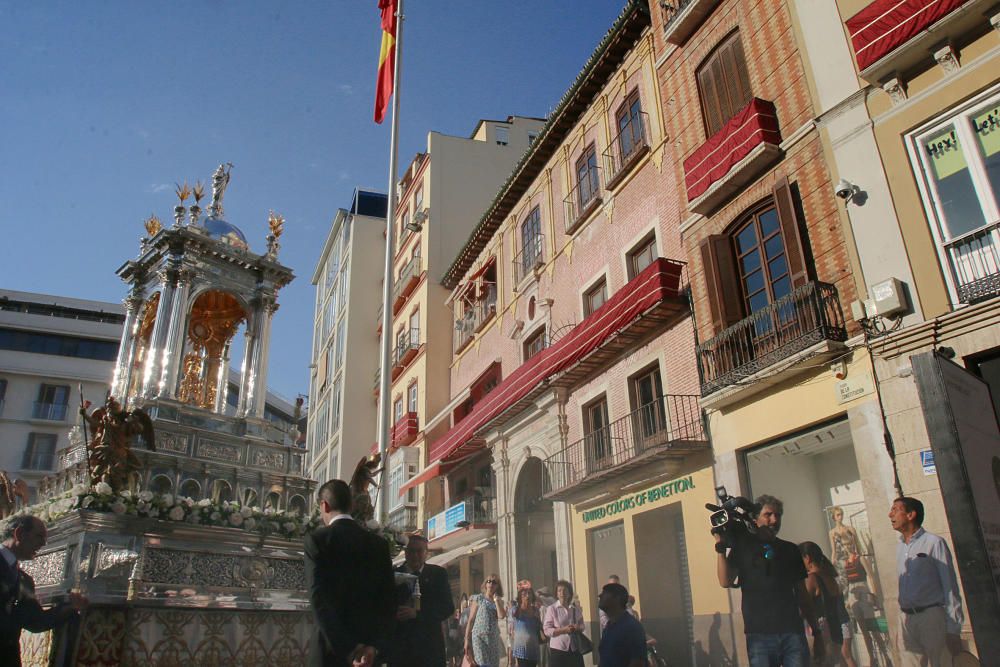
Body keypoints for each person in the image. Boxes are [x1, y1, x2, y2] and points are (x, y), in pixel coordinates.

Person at [715, 494, 824, 666]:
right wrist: (720, 548)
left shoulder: (790, 550)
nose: (774, 520)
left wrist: (817, 633)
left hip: (792, 634)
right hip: (759, 636)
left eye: (778, 515)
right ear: (755, 518)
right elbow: (725, 581)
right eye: (768, 514)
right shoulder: (743, 547)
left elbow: (803, 595)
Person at [304, 480, 396, 667]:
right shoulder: (378, 544)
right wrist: (373, 646)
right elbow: (388, 600)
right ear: (352, 505)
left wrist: (350, 649)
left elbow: (319, 599)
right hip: (369, 655)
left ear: (325, 505)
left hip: (330, 652)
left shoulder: (318, 540)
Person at [0, 515, 88, 667]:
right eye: (39, 536)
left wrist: (70, 607)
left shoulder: (24, 581)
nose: (43, 543)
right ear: (20, 534)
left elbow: (35, 622)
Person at [890, 497, 964, 666]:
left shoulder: (934, 543)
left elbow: (949, 586)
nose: (890, 514)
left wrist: (953, 628)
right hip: (907, 619)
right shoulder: (900, 547)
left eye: (895, 509)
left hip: (931, 617)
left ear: (910, 515)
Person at [389, 534, 455, 667]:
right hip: (401, 649)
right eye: (411, 551)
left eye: (419, 551)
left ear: (426, 553)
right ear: (405, 552)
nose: (415, 555)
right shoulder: (393, 575)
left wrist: (417, 613)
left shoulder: (438, 574)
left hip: (429, 649)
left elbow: (447, 607)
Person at [799, 541, 856, 667]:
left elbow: (803, 608)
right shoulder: (831, 578)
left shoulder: (811, 579)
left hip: (819, 636)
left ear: (807, 558)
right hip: (835, 635)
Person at [597, 583, 647, 667]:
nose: (600, 596)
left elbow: (638, 662)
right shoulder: (608, 627)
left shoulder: (631, 627)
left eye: (605, 593)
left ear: (617, 598)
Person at [465, 574, 506, 667]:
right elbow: (471, 620)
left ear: (497, 586)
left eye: (494, 582)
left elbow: (501, 616)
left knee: (493, 664)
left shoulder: (499, 601)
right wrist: (466, 640)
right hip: (479, 637)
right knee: (483, 664)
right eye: (489, 581)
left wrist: (496, 601)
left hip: (493, 638)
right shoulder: (479, 598)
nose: (491, 584)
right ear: (485, 584)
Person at [543, 579, 585, 667]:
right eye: (559, 590)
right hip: (558, 649)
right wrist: (563, 630)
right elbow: (547, 630)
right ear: (557, 594)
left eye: (565, 590)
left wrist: (578, 627)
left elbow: (582, 625)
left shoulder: (575, 609)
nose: (562, 593)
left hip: (574, 648)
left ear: (569, 593)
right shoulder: (552, 609)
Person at [511, 586, 543, 667]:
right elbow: (511, 631)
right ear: (520, 597)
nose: (527, 596)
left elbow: (539, 627)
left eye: (529, 593)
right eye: (524, 594)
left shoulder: (536, 610)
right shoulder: (516, 610)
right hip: (520, 651)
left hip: (533, 649)